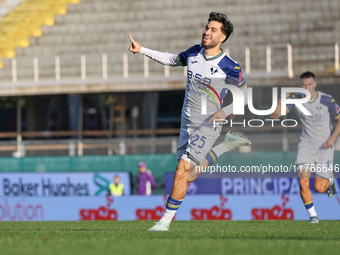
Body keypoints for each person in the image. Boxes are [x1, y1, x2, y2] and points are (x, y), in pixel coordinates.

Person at [129, 12, 251, 231]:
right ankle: (223, 147)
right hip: (187, 124)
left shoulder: (229, 66)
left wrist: (227, 111)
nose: (207, 31)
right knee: (188, 176)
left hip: (208, 125)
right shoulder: (194, 52)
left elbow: (244, 96)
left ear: (222, 37)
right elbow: (172, 59)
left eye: (213, 30)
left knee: (182, 171)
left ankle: (164, 223)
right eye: (207, 27)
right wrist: (143, 50)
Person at [271, 71, 340, 223]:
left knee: (320, 188)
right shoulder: (296, 99)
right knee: (303, 181)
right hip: (306, 146)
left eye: (309, 84)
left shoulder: (327, 100)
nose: (306, 87)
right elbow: (275, 115)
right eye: (303, 85)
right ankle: (313, 216)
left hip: (324, 147)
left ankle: (329, 179)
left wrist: (333, 138)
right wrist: (283, 98)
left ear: (314, 84)